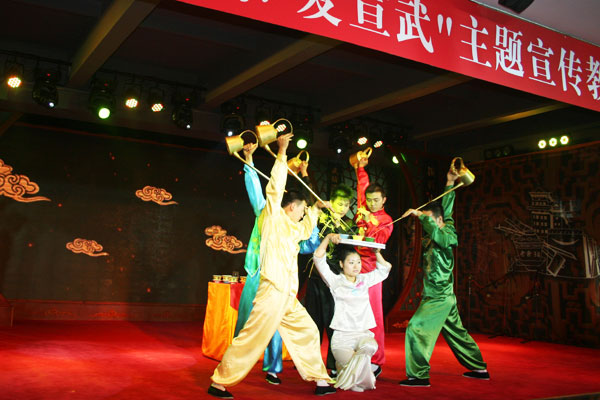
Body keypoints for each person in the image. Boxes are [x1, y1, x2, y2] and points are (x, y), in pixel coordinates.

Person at [209, 133, 334, 399]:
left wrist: (316, 209)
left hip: (286, 296)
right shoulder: (273, 219)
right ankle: (219, 382)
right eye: (300, 209)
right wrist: (282, 151)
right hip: (271, 292)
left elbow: (307, 226)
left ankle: (320, 380)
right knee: (251, 338)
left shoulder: (293, 229)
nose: (302, 213)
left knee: (308, 330)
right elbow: (275, 188)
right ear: (290, 208)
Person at [233, 142, 319, 386]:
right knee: (247, 321)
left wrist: (304, 175)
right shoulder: (267, 212)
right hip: (258, 272)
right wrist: (249, 161)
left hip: (281, 280)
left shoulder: (293, 224)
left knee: (278, 322)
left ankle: (273, 368)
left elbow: (307, 243)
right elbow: (256, 189)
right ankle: (237, 361)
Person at [399, 168, 489, 387]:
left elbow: (440, 228)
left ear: (436, 220)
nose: (425, 224)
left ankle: (419, 376)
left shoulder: (446, 234)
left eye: (429, 220)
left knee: (415, 328)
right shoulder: (441, 224)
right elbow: (445, 210)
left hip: (439, 296)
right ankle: (479, 367)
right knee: (457, 333)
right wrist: (450, 182)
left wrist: (421, 216)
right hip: (442, 295)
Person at [313, 233, 392, 392]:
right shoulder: (335, 281)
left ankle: (348, 374)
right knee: (357, 376)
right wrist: (328, 238)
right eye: (351, 262)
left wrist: (376, 252)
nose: (356, 266)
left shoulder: (364, 280)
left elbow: (385, 269)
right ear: (341, 264)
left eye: (358, 262)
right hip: (342, 336)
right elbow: (318, 258)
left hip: (362, 334)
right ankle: (348, 371)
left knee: (370, 346)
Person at [303, 184, 355, 376]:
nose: (342, 208)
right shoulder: (321, 218)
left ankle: (333, 365)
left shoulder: (350, 225)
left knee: (333, 322)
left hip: (335, 281)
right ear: (331, 202)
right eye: (339, 203)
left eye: (346, 204)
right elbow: (311, 207)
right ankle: (310, 362)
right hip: (316, 276)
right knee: (313, 322)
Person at [353, 155, 394, 377]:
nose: (372, 203)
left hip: (372, 273)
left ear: (384, 200)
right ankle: (358, 356)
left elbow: (377, 244)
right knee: (355, 316)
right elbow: (362, 189)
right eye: (370, 200)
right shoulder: (364, 207)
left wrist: (369, 220)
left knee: (374, 316)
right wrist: (361, 168)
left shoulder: (386, 219)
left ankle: (376, 361)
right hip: (356, 271)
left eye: (377, 200)